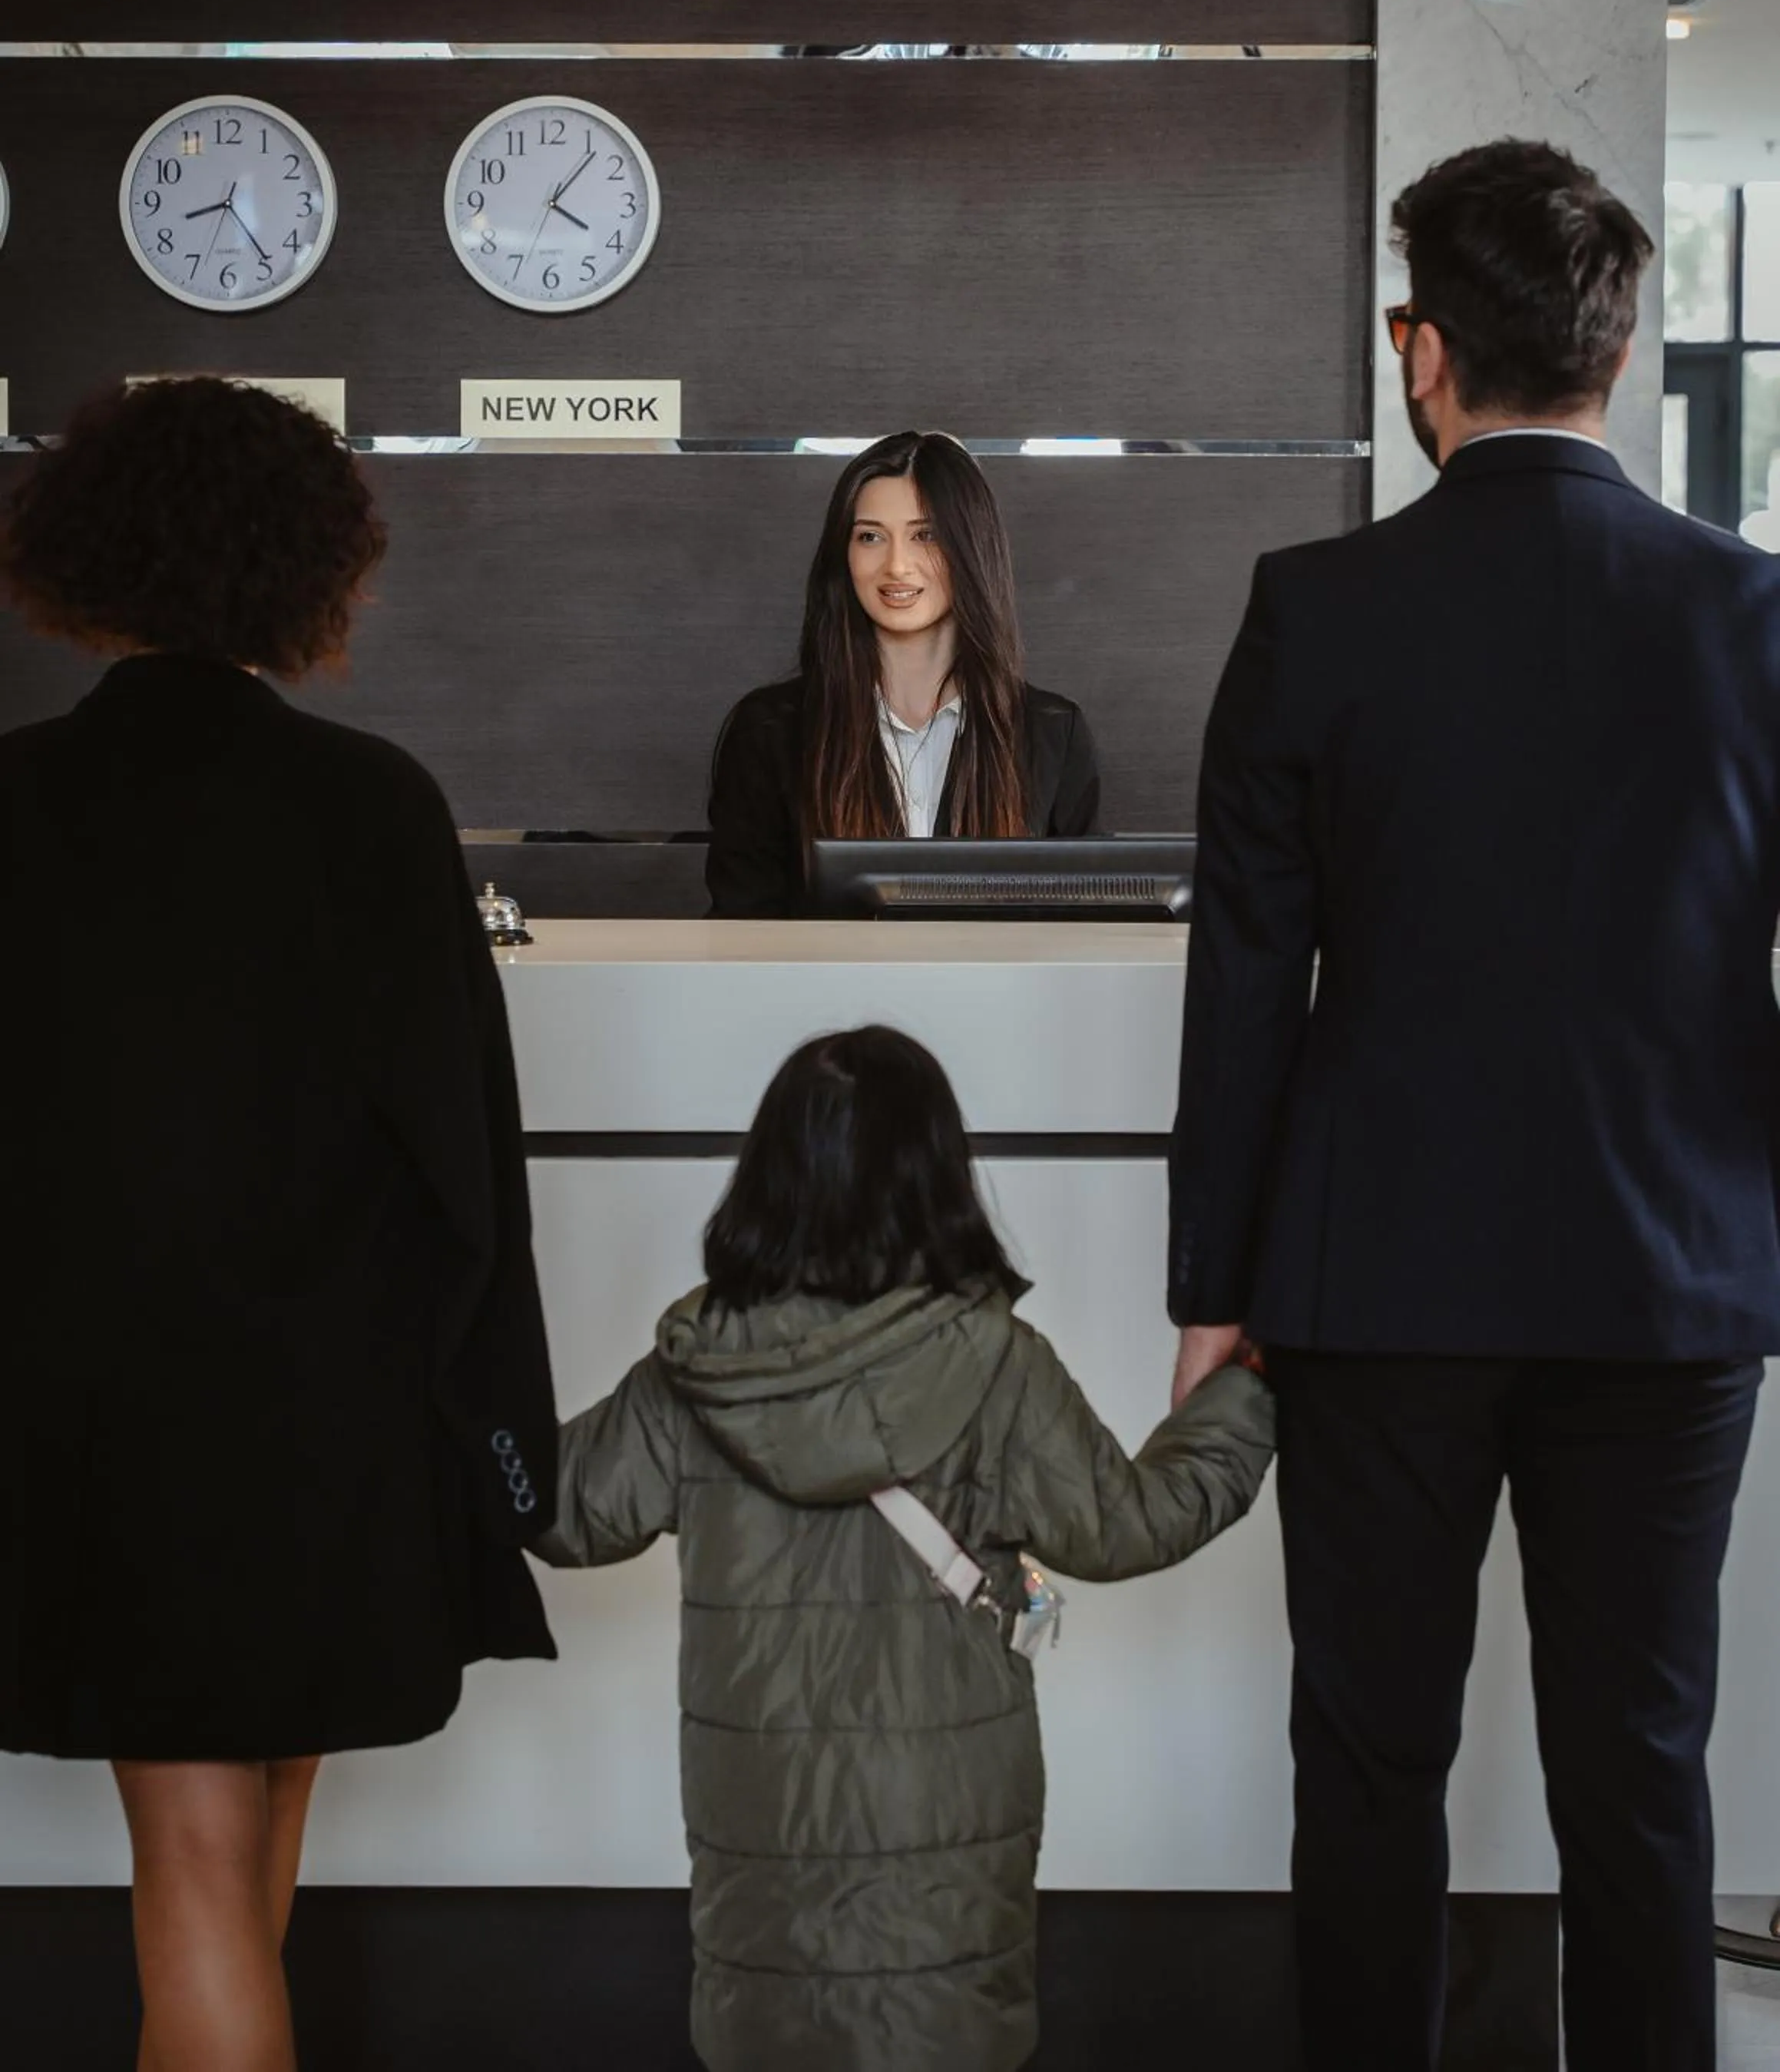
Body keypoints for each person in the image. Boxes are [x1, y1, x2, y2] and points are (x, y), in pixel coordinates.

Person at [1167, 137, 1780, 2072]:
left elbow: (1251, 976)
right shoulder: (1752, 615)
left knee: (1366, 1766)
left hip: (1377, 1281)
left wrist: (1213, 1282)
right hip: (1670, 1279)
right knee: (1643, 1778)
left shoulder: (1314, 608)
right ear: (1615, 342)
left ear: (1421, 351)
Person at [0, 377, 559, 2072]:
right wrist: (494, 1431)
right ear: (308, 565)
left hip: (96, 1408)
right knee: (250, 1851)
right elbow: (464, 1162)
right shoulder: (374, 803)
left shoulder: (15, 801)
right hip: (331, 1417)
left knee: (189, 1860)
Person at [541, 1024, 1274, 2072]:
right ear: (938, 1177)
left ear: (767, 1178)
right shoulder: (992, 1364)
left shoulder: (694, 1374)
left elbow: (564, 1510)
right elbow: (1132, 1525)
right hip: (950, 1821)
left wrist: (447, 1379)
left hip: (763, 1827)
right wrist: (1250, 1381)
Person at [706, 431, 1102, 916]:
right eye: (870, 536)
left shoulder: (1051, 733)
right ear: (844, 556)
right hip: (821, 994)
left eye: (926, 535)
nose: (896, 565)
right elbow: (742, 933)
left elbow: (1086, 929)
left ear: (971, 550)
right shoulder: (770, 730)